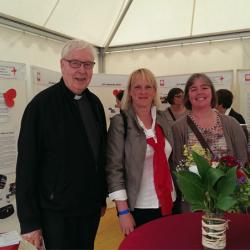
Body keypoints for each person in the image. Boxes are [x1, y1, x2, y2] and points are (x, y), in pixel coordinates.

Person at [16, 39, 107, 250]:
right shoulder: (40, 107)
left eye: (88, 65)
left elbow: (99, 154)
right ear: (62, 65)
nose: (81, 71)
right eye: (75, 63)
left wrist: (100, 197)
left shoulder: (95, 104)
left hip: (89, 209)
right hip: (55, 212)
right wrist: (29, 222)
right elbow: (26, 167)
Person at [106, 68, 179, 236]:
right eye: (137, 87)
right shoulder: (120, 122)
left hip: (170, 201)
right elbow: (113, 169)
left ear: (154, 91)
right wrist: (123, 212)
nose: (143, 92)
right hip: (140, 207)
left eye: (148, 87)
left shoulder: (164, 119)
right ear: (130, 91)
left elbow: (172, 162)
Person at [172, 73, 248, 176]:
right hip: (195, 191)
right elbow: (178, 167)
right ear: (188, 96)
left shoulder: (232, 124)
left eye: (204, 88)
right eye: (193, 89)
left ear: (212, 92)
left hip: (229, 190)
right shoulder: (178, 127)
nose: (199, 92)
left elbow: (242, 160)